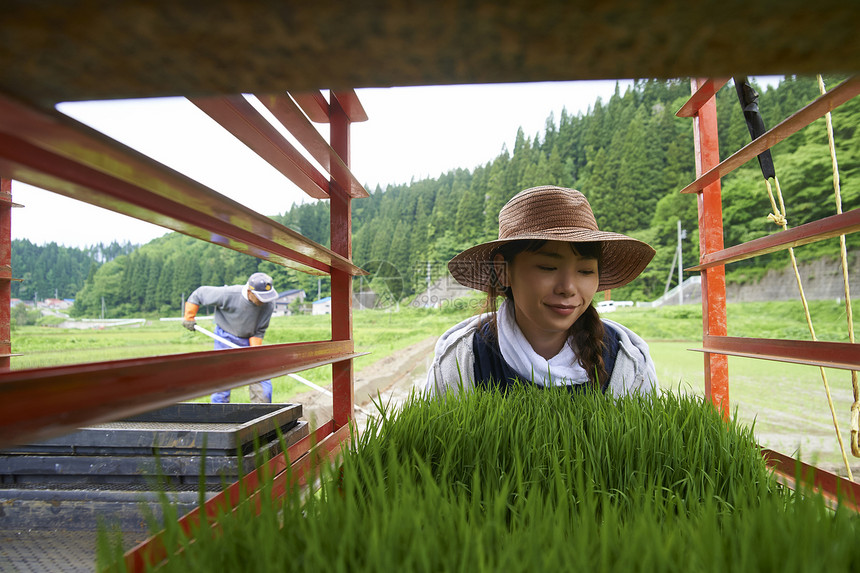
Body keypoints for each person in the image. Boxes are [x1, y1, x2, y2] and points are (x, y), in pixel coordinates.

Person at [425, 185, 658, 397]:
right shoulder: (464, 359)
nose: (568, 288)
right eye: (548, 267)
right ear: (503, 270)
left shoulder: (626, 361)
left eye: (586, 271)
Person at [183, 272, 279, 403]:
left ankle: (263, 414)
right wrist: (189, 317)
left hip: (249, 340)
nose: (264, 301)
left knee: (262, 380)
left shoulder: (268, 304)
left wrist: (254, 351)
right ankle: (220, 417)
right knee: (222, 381)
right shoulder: (229, 294)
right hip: (225, 337)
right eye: (260, 297)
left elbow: (259, 330)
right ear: (250, 291)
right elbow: (199, 294)